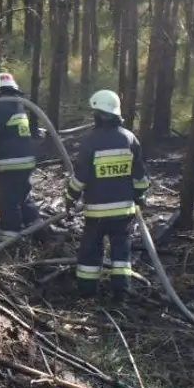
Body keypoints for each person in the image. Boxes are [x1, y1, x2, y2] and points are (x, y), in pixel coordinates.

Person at [65, 89, 150, 302]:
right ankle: (120, 293)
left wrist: (70, 197)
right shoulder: (130, 139)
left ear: (98, 114)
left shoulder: (90, 141)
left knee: (90, 252)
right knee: (121, 253)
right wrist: (141, 196)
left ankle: (87, 292)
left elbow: (80, 178)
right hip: (124, 212)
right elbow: (140, 176)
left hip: (96, 212)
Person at [0, 72, 45, 238]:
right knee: (22, 195)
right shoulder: (17, 105)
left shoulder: (2, 106)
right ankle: (35, 225)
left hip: (12, 162)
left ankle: (10, 234)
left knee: (6, 199)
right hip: (25, 160)